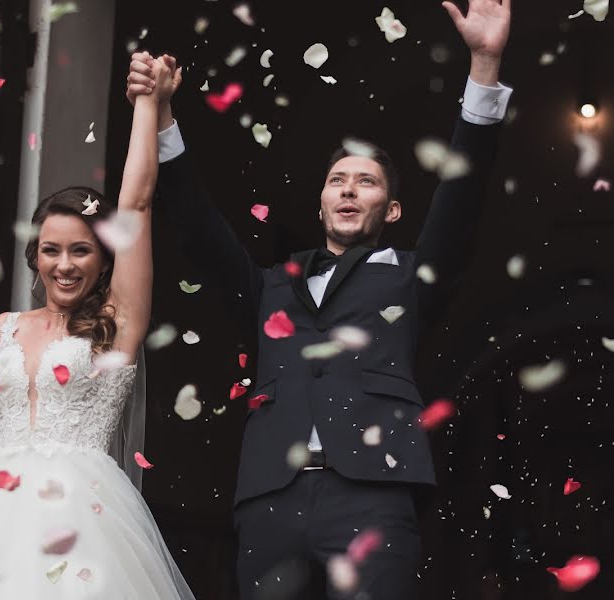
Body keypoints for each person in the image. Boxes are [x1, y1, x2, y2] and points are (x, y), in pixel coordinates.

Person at [126, 1, 512, 598]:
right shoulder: (270, 285)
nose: (350, 189)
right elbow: (201, 230)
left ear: (393, 209)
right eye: (338, 180)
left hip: (373, 497)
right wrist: (163, 113)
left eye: (367, 181)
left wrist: (484, 66)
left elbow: (462, 199)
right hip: (270, 499)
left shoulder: (411, 277)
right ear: (322, 204)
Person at [0, 57, 196, 599]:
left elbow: (135, 202)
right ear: (35, 257)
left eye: (81, 250)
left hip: (83, 519)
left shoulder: (117, 325)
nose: (64, 264)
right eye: (51, 250)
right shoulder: (4, 329)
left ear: (102, 259)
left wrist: (148, 101)